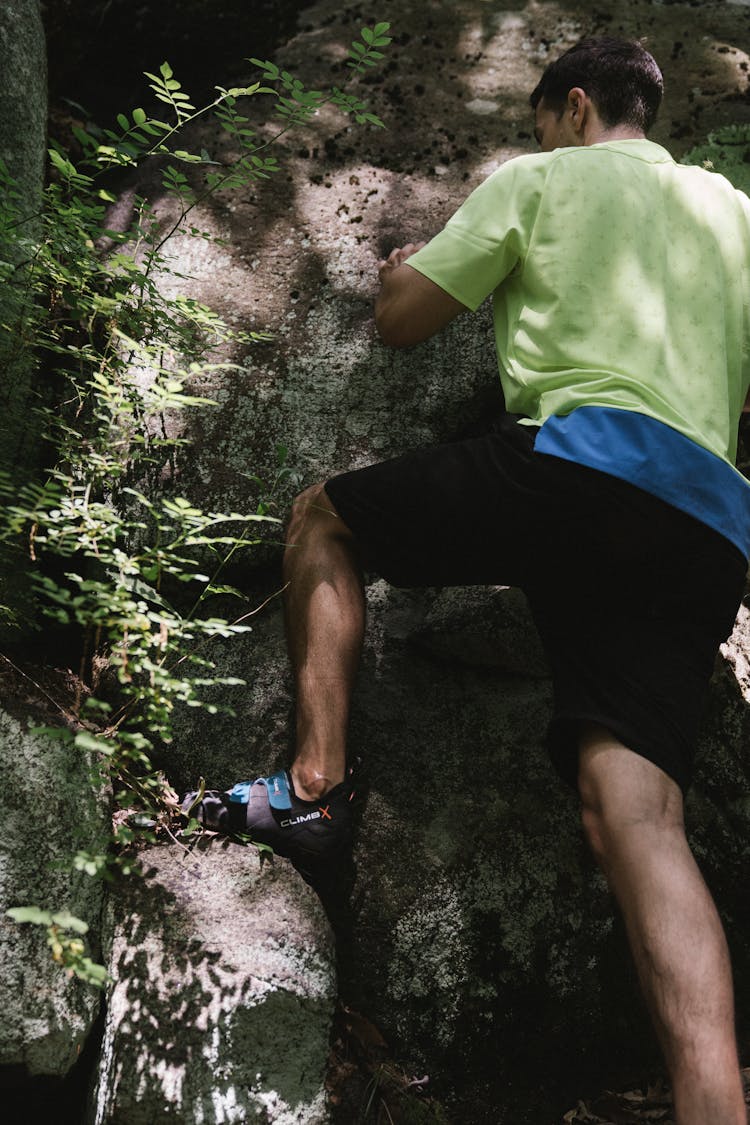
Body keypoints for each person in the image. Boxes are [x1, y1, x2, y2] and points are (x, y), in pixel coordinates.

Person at [184, 38, 750, 1124]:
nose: (538, 138)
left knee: (324, 519)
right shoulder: (727, 209)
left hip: (584, 471)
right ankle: (714, 1108)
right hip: (708, 523)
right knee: (638, 814)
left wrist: (403, 271)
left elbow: (404, 322)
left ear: (575, 106)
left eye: (541, 121)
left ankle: (312, 791)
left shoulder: (544, 178)